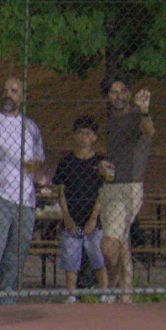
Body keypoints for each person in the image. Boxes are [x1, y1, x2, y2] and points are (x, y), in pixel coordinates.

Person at [0, 76, 45, 305]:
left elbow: (38, 161)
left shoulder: (30, 127)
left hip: (26, 200)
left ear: (22, 97)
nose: (8, 95)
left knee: (18, 253)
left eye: (14, 91)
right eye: (5, 90)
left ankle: (7, 299)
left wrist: (31, 167)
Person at [100, 78, 154, 298]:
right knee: (122, 242)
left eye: (123, 91)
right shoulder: (112, 120)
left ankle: (109, 287)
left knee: (109, 245)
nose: (118, 96)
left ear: (129, 93)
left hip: (129, 185)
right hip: (110, 185)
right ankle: (126, 294)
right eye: (113, 92)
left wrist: (144, 111)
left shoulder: (136, 116)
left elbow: (149, 130)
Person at [53, 116, 110, 302]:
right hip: (72, 216)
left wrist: (94, 218)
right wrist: (66, 218)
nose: (84, 137)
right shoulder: (67, 162)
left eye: (88, 133)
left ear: (94, 137)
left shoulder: (100, 162)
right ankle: (71, 294)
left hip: (93, 218)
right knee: (71, 260)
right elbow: (60, 192)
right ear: (74, 135)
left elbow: (103, 191)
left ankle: (104, 293)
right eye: (80, 133)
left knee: (97, 257)